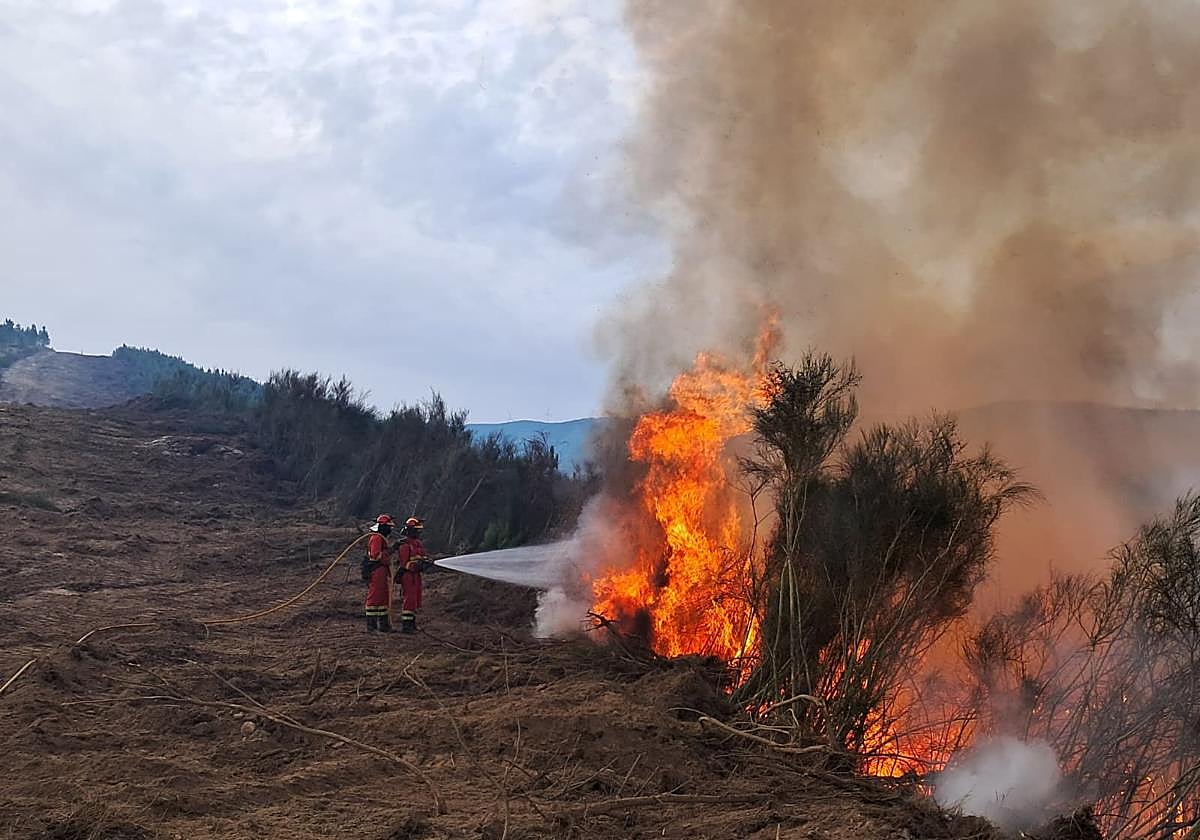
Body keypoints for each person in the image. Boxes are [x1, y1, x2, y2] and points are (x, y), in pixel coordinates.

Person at [395, 517, 431, 634]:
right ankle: (407, 626)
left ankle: (412, 624)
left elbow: (422, 556)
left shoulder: (418, 544)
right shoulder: (404, 545)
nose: (419, 533)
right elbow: (405, 563)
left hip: (416, 576)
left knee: (415, 600)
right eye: (417, 530)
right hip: (408, 576)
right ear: (410, 531)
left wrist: (426, 562)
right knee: (409, 600)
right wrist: (417, 566)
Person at [364, 514, 396, 633]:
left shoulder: (381, 537)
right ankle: (371, 627)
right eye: (388, 527)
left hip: (382, 570)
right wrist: (390, 551)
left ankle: (383, 626)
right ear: (382, 526)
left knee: (383, 597)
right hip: (376, 570)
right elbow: (375, 555)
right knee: (375, 597)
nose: (390, 530)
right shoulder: (376, 538)